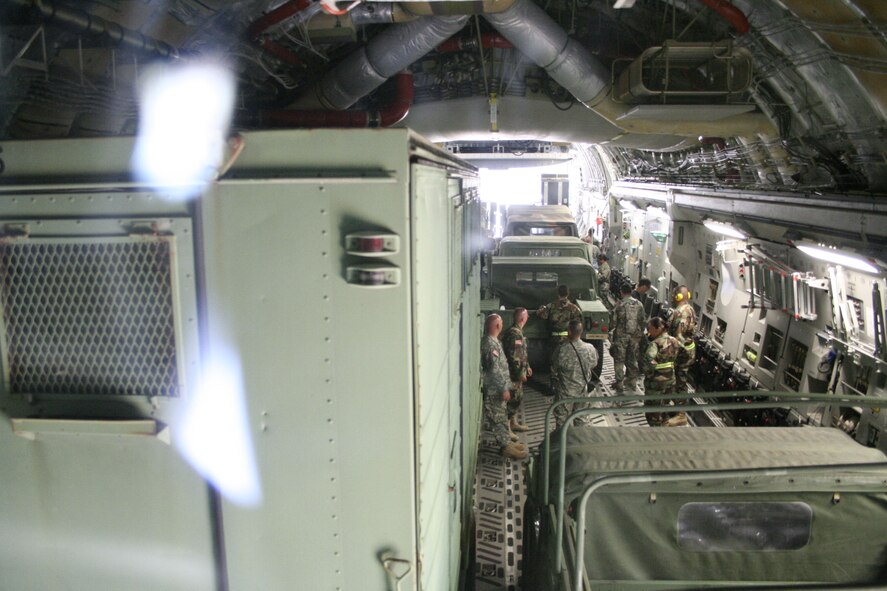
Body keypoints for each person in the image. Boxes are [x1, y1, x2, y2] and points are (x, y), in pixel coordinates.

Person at [482, 314, 528, 460]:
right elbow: (494, 369)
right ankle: (506, 447)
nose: (502, 326)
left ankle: (507, 443)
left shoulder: (493, 342)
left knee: (501, 417)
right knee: (498, 419)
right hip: (494, 390)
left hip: (497, 388)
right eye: (500, 323)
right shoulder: (490, 344)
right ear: (497, 326)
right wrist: (504, 388)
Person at [641, 317, 690, 427]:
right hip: (670, 382)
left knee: (652, 413)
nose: (649, 332)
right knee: (664, 408)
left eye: (650, 329)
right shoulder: (675, 340)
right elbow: (686, 353)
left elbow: (648, 361)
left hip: (656, 384)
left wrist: (650, 373)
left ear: (658, 328)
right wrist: (676, 366)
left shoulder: (655, 344)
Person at [551, 320, 599, 429]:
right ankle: (579, 442)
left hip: (565, 393)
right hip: (582, 391)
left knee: (562, 421)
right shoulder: (590, 348)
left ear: (569, 332)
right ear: (581, 332)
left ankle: (563, 443)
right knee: (581, 419)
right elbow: (594, 364)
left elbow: (554, 365)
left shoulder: (562, 349)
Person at [536, 285, 582, 390]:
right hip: (568, 338)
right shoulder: (573, 308)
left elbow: (542, 315)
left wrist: (541, 309)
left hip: (555, 338)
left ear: (558, 294)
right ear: (568, 294)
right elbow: (578, 322)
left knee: (554, 361)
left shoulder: (551, 306)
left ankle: (553, 385)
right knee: (569, 360)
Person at [609, 284, 645, 393]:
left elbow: (613, 322)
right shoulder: (639, 304)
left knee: (619, 360)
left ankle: (619, 383)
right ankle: (632, 382)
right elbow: (642, 320)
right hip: (634, 337)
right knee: (633, 358)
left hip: (621, 337)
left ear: (622, 292)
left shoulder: (619, 305)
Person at [501, 307, 532, 434]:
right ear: (522, 318)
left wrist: (527, 366)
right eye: (527, 316)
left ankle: (513, 423)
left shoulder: (517, 332)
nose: (528, 318)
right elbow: (515, 356)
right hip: (513, 374)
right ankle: (507, 428)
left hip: (516, 372)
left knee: (517, 398)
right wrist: (520, 373)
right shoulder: (515, 334)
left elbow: (521, 353)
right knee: (513, 399)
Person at [669, 285, 697, 394]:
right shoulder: (690, 309)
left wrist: (671, 354)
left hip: (682, 353)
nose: (672, 297)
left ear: (678, 297)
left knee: (679, 380)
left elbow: (679, 336)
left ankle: (679, 408)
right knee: (681, 378)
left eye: (674, 295)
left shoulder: (681, 313)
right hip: (689, 350)